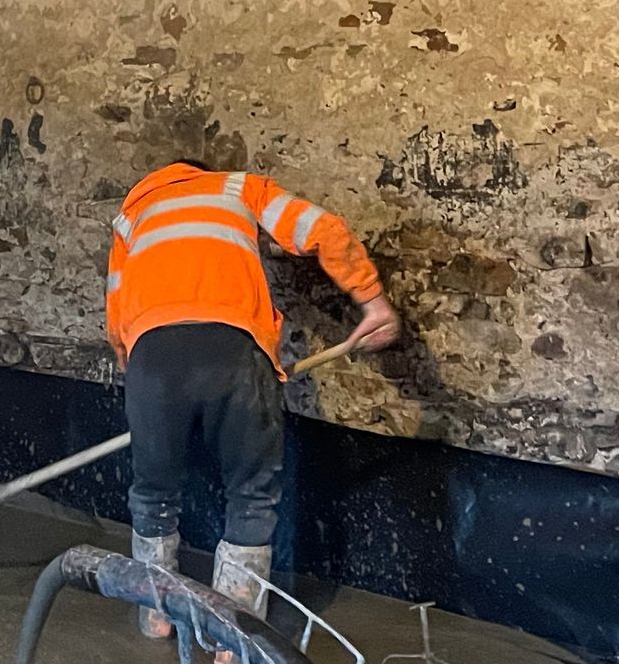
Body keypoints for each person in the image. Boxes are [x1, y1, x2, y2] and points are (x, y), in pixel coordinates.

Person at [105, 159, 399, 639]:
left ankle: (156, 616)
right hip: (234, 348)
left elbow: (116, 314)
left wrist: (139, 380)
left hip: (151, 355)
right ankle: (231, 636)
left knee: (155, 491)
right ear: (205, 172)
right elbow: (322, 229)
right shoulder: (240, 188)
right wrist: (372, 300)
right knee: (251, 494)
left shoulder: (133, 213)